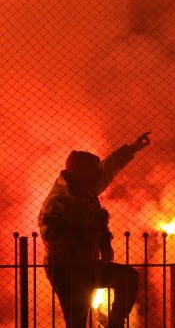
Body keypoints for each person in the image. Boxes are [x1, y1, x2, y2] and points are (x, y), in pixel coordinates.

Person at [39, 132, 152, 328]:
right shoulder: (58, 202)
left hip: (88, 267)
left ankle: (114, 323)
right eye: (93, 171)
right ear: (79, 173)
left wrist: (133, 148)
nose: (98, 174)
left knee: (128, 278)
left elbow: (109, 167)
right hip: (66, 271)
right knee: (77, 323)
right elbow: (50, 232)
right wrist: (86, 236)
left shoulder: (85, 187)